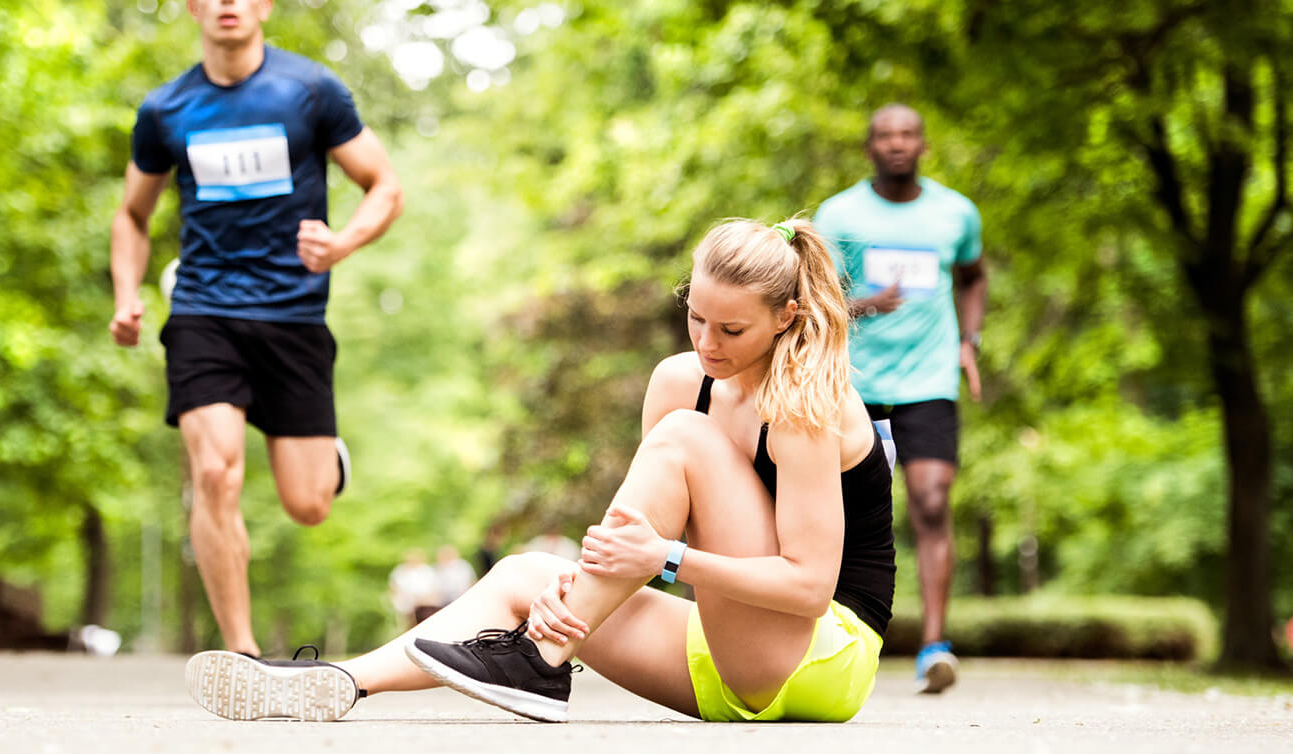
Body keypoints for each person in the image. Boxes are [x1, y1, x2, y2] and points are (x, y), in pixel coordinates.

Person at [183, 218, 895, 724]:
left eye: (730, 330)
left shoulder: (807, 402)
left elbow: (805, 588)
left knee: (682, 439)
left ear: (787, 316)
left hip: (817, 658)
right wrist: (585, 593)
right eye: (695, 317)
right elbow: (641, 544)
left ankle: (541, 656)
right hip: (727, 649)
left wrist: (666, 560)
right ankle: (337, 682)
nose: (706, 343)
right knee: (525, 577)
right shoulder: (685, 381)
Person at [108, 0, 403, 658]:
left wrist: (343, 242)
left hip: (293, 316)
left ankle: (327, 460)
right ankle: (240, 653)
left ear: (264, 5)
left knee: (309, 503)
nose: (228, 4)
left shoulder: (311, 91)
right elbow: (132, 215)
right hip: (202, 309)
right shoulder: (165, 109)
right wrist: (127, 296)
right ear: (193, 7)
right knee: (215, 474)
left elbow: (383, 185)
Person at [812, 103, 986, 694]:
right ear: (868, 148)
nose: (896, 144)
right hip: (853, 384)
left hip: (929, 380)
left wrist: (969, 341)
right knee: (841, 512)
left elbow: (974, 274)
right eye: (884, 135)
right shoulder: (840, 216)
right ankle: (829, 635)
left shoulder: (955, 213)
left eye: (907, 134)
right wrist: (865, 305)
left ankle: (935, 646)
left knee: (932, 501)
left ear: (923, 146)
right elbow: (814, 300)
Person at [388, 549, 440, 628]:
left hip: (425, 603)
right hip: (406, 603)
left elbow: (434, 588)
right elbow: (394, 588)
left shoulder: (426, 570)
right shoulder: (400, 571)